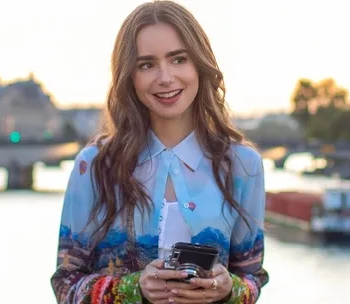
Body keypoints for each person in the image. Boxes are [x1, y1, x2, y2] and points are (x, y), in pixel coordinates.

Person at [50, 1, 269, 303]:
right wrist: (132, 289)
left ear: (200, 63)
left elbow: (253, 278)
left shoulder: (244, 166)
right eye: (147, 65)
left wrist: (229, 288)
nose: (165, 78)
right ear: (130, 76)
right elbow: (65, 285)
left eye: (179, 59)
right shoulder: (94, 166)